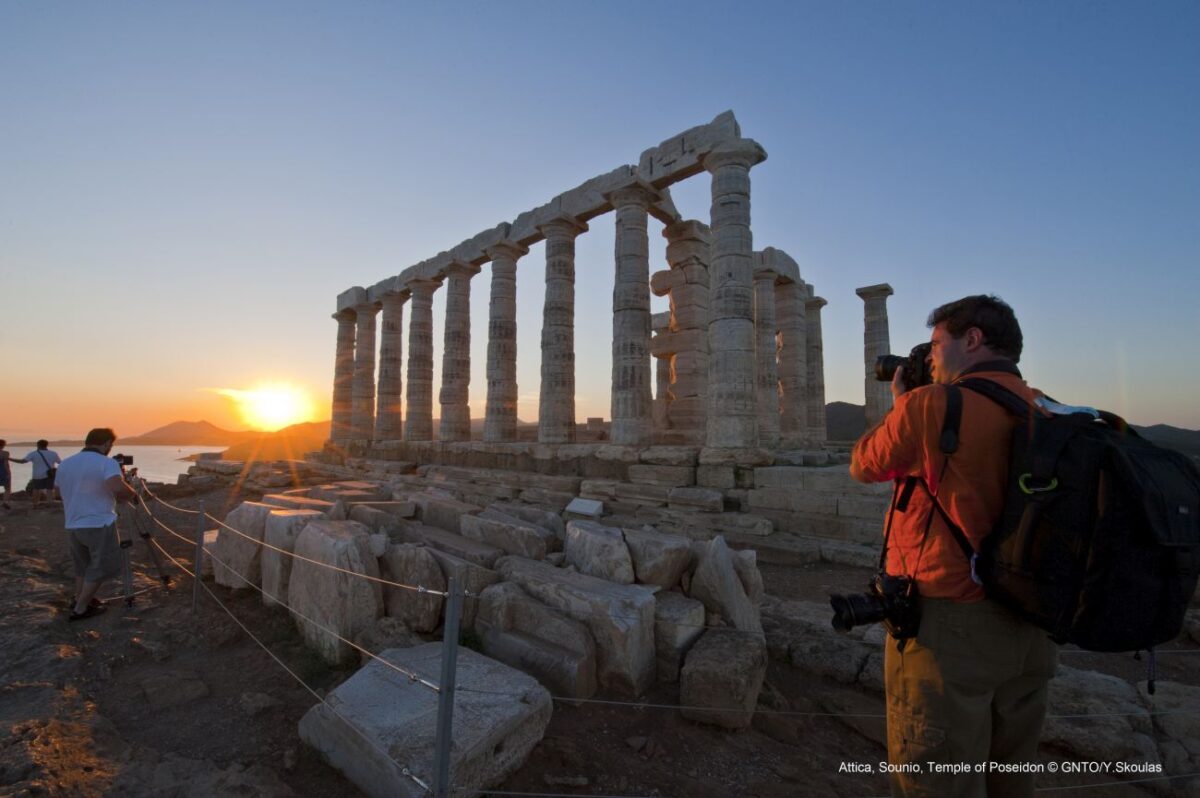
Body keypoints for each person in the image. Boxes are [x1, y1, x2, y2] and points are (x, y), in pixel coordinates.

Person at [849, 295, 1058, 798]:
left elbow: (864, 464)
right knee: (1011, 773)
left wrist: (905, 401)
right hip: (1034, 622)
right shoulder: (1044, 407)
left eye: (937, 344)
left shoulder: (932, 406)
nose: (931, 357)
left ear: (973, 339)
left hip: (951, 622)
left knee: (936, 778)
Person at [55, 428, 136, 621]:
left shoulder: (66, 463)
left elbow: (57, 493)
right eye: (111, 444)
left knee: (83, 566)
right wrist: (133, 493)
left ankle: (80, 599)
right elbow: (117, 487)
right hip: (99, 522)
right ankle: (81, 609)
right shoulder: (106, 463)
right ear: (107, 443)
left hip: (73, 523)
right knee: (101, 566)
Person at [14, 439, 62, 508]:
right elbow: (60, 463)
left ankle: (35, 504)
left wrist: (9, 459)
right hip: (50, 475)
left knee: (36, 489)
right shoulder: (53, 453)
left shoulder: (34, 453)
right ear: (46, 445)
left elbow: (23, 461)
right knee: (50, 490)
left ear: (38, 445)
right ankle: (50, 504)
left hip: (37, 475)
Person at [0, 440, 12, 510]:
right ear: (3, 445)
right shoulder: (5, 453)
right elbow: (6, 464)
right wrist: (9, 473)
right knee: (7, 488)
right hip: (2, 472)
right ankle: (5, 502)